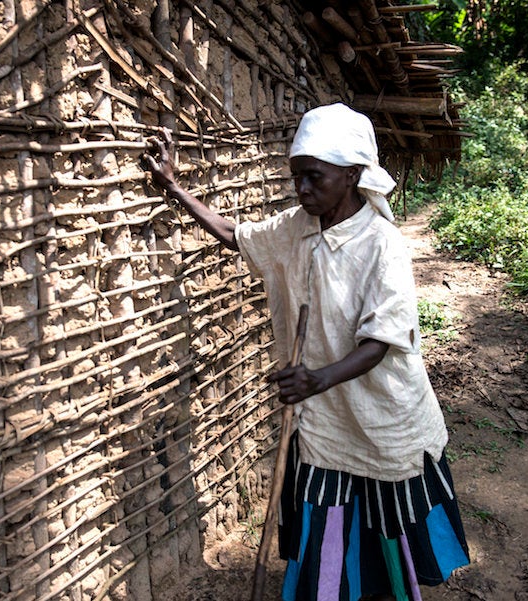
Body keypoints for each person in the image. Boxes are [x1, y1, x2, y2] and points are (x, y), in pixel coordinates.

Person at [142, 102, 469, 601]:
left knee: (384, 517)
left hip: (381, 408)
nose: (302, 189)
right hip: (323, 414)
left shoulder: (382, 245)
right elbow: (236, 236)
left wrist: (317, 378)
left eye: (314, 177)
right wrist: (172, 187)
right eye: (297, 177)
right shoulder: (296, 227)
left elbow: (380, 342)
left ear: (352, 174)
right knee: (327, 510)